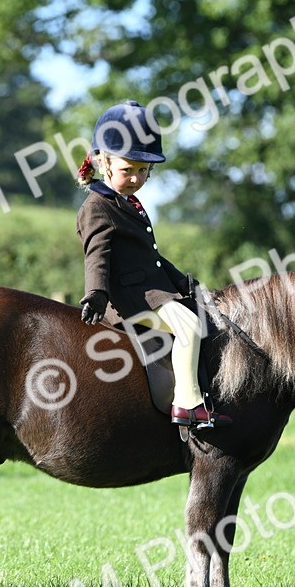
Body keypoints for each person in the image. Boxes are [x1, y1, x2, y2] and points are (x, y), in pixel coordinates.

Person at [75, 100, 230, 428]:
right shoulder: (97, 207)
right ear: (104, 163)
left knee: (204, 317)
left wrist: (183, 283)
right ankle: (187, 403)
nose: (135, 178)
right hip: (132, 299)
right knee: (188, 325)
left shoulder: (128, 202)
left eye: (142, 171)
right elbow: (97, 255)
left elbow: (150, 257)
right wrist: (96, 294)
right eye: (127, 170)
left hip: (153, 290)